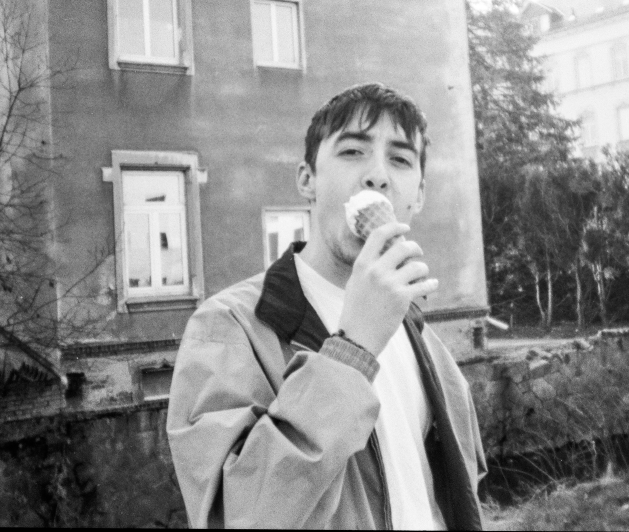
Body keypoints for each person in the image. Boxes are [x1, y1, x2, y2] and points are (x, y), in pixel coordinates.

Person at [167, 83, 485, 529]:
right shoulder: (228, 326)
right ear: (307, 180)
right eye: (352, 151)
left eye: (400, 159)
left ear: (418, 195)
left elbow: (457, 493)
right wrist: (353, 350)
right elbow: (232, 515)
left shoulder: (426, 340)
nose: (377, 175)